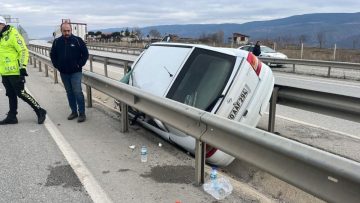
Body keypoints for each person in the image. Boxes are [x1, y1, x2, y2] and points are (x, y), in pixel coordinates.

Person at [0, 16, 47, 125]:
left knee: (21, 93)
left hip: (15, 71)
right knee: (10, 94)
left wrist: (22, 67)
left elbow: (23, 51)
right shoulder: (1, 37)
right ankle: (12, 116)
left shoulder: (13, 34)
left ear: (2, 24)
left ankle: (40, 111)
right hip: (5, 72)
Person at [50, 23, 89, 122]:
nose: (67, 33)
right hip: (64, 72)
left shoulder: (78, 40)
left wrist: (79, 64)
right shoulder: (56, 42)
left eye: (68, 30)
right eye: (64, 31)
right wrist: (57, 65)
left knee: (77, 92)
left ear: (71, 30)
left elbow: (85, 54)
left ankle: (82, 113)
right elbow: (52, 55)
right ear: (61, 31)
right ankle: (74, 112)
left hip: (76, 72)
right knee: (69, 93)